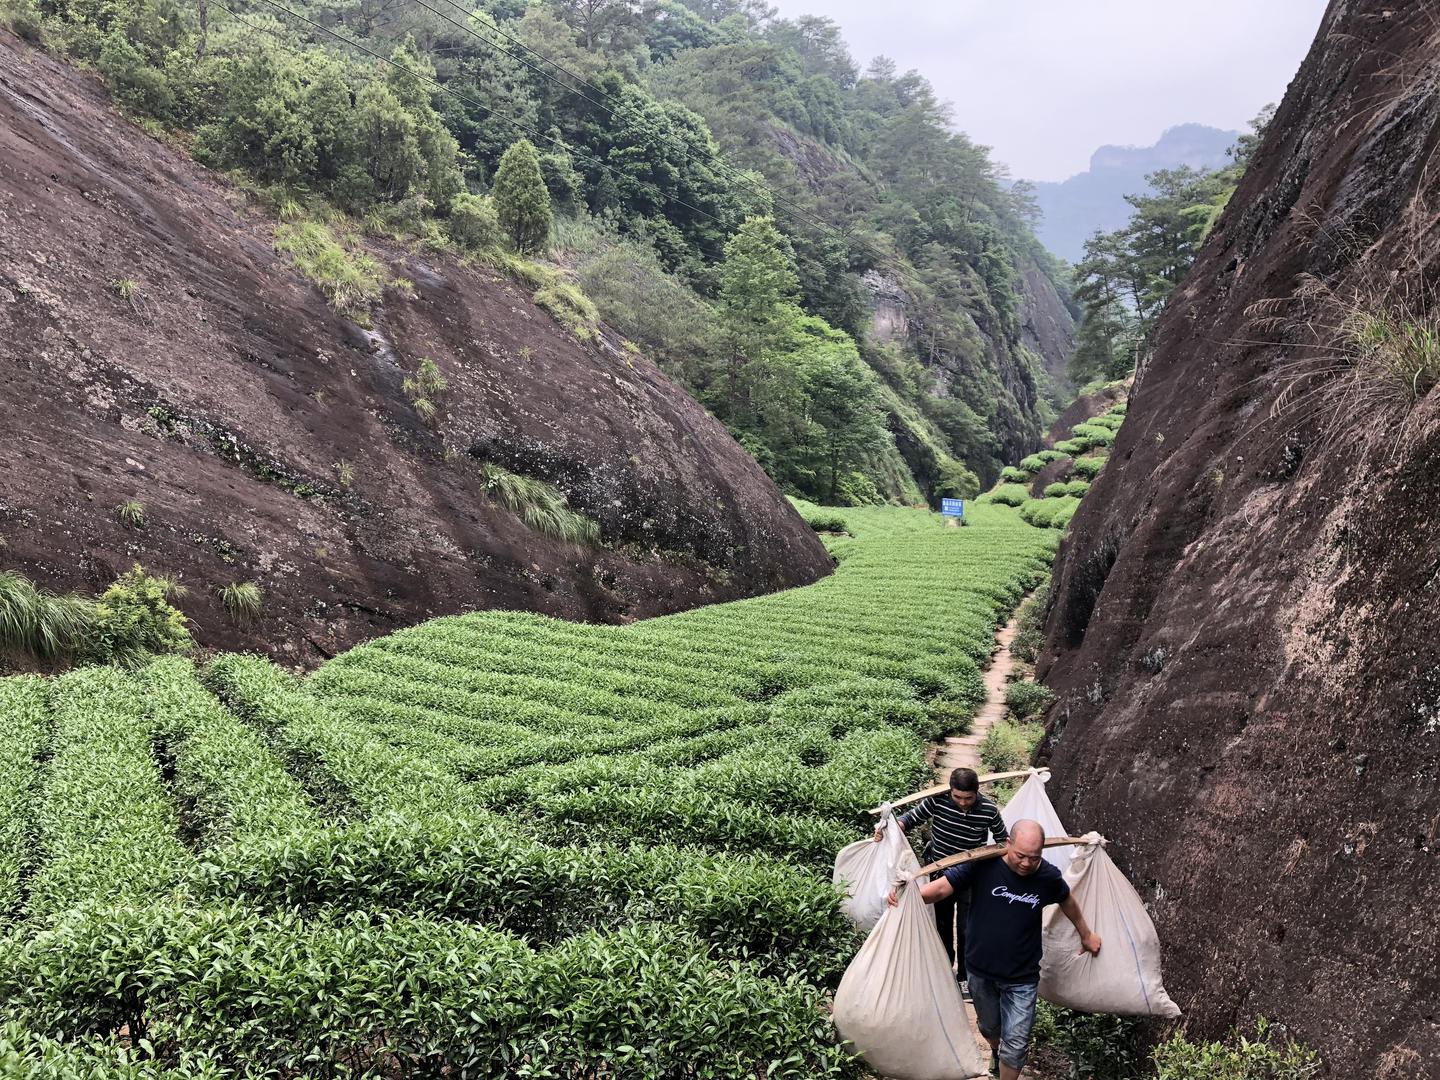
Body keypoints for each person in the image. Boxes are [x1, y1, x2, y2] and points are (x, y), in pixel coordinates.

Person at [888, 819, 1101, 1080]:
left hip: (1022, 977)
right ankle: (994, 1048)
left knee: (1017, 1044)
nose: (1026, 863)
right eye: (1021, 856)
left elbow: (1066, 900)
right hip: (980, 970)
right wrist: (908, 896)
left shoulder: (1047, 876)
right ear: (1008, 844)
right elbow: (943, 887)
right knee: (990, 1028)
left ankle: (1005, 1066)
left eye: (1033, 858)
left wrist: (1086, 934)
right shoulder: (983, 864)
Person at [877, 767, 1007, 982]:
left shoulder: (988, 810)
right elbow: (910, 819)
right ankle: (945, 971)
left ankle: (966, 977)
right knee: (942, 925)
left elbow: (1003, 840)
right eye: (957, 797)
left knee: (968, 928)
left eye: (968, 798)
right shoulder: (937, 801)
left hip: (971, 875)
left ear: (977, 792)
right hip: (939, 873)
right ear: (950, 791)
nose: (963, 802)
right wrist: (888, 828)